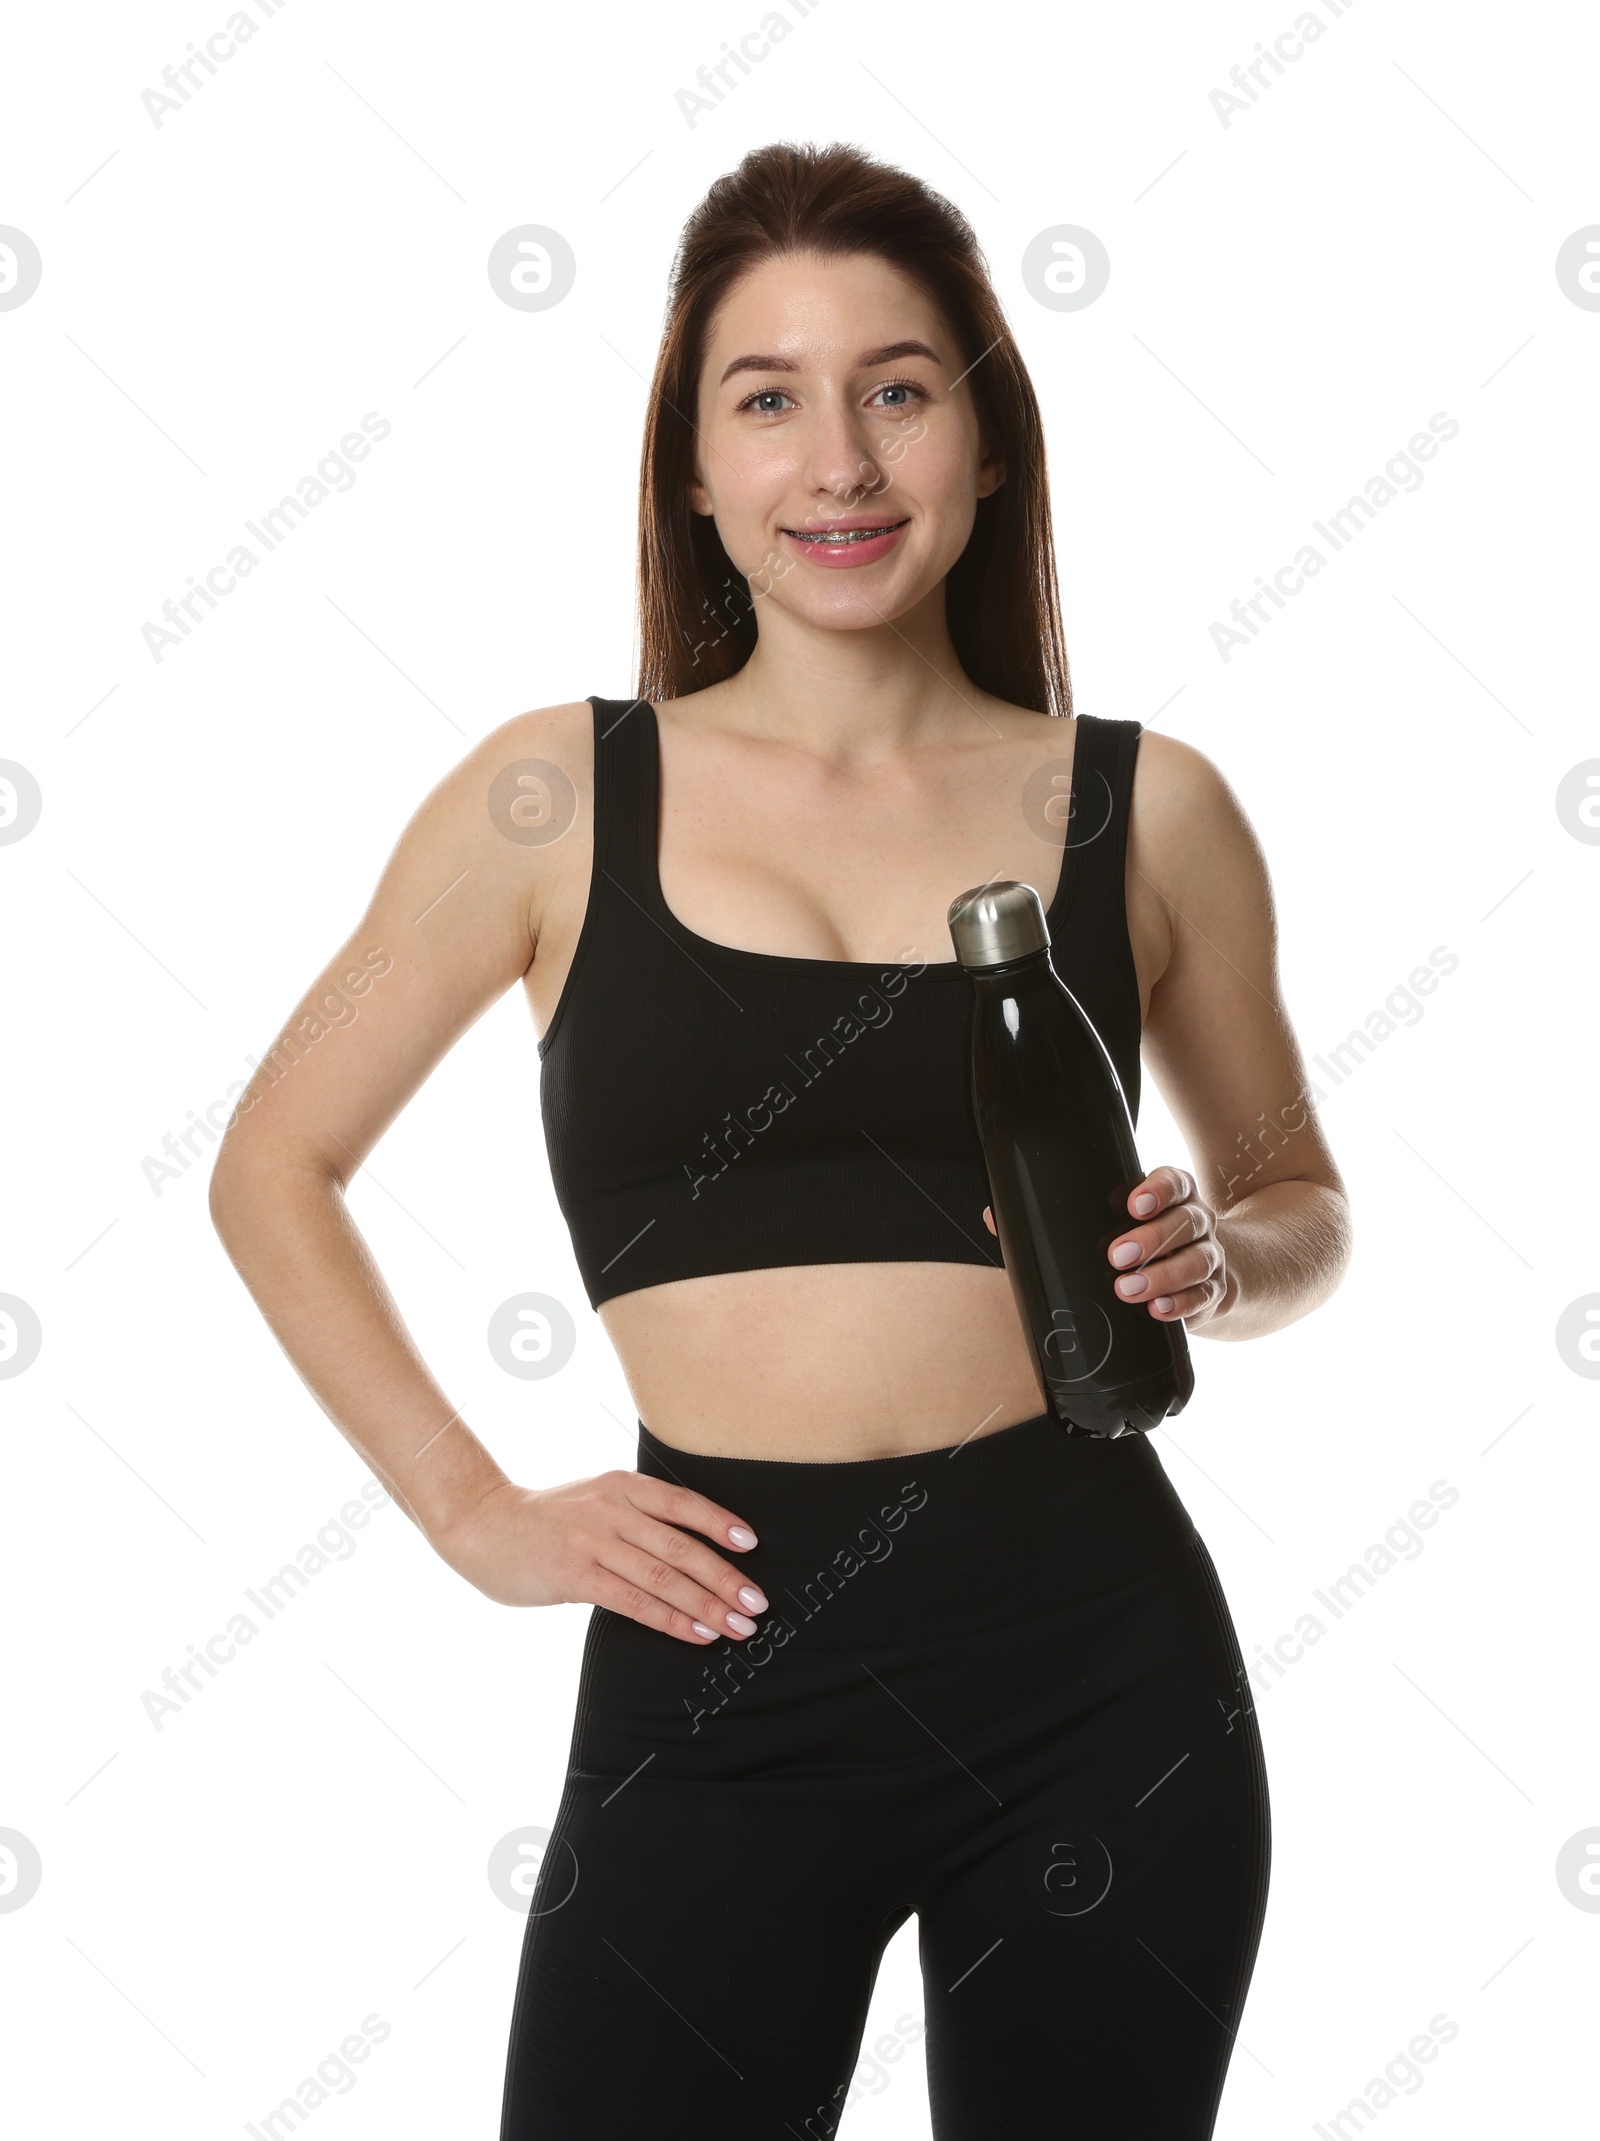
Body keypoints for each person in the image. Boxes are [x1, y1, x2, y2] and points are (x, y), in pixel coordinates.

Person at [210, 140, 1351, 2140]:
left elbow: (1294, 1195)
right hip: (714, 1667)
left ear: (984, 445)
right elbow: (270, 1168)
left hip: (1097, 1662)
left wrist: (1225, 1259)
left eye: (897, 389)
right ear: (691, 467)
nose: (837, 461)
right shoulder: (548, 798)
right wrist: (472, 1516)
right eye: (768, 399)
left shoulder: (1143, 809)